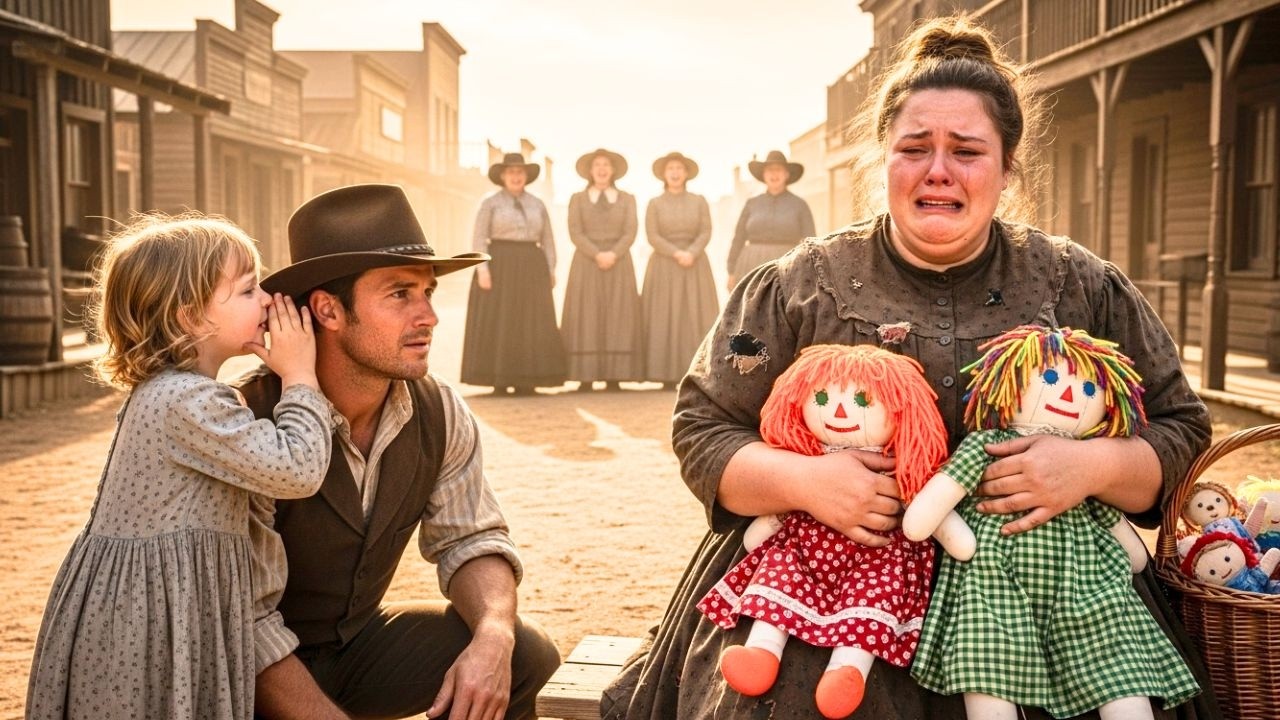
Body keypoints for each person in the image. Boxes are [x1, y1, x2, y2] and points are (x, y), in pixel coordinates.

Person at [602, 16, 1220, 720]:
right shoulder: (798, 285)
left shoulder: (1081, 285)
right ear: (882, 160)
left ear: (1008, 168)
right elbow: (703, 427)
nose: (938, 171)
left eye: (967, 151)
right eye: (915, 148)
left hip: (1051, 597)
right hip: (820, 591)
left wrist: (1092, 466)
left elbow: (1180, 427)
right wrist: (805, 481)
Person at [232, 184, 562, 719]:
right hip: (241, 679)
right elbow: (245, 626)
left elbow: (470, 538)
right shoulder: (244, 421)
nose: (429, 315)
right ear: (328, 310)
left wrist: (494, 637)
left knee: (527, 654)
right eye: (400, 294)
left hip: (351, 654)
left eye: (428, 291)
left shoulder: (437, 409)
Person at [27, 213, 333, 719]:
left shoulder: (177, 394)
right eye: (248, 289)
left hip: (155, 606)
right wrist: (300, 374)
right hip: (149, 620)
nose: (267, 299)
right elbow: (297, 469)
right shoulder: (187, 401)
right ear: (191, 317)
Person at [461, 152, 567, 395]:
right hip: (500, 265)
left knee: (530, 322)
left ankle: (527, 379)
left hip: (532, 267)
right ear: (502, 176)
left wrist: (551, 269)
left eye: (520, 172)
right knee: (502, 320)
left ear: (526, 176)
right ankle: (499, 379)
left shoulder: (538, 204)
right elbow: (479, 237)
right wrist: (482, 269)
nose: (516, 177)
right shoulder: (490, 203)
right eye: (511, 172)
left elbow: (548, 240)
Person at [561, 148, 644, 391]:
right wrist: (596, 254)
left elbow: (630, 230)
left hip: (619, 263)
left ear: (613, 170)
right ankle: (584, 376)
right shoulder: (578, 199)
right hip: (586, 263)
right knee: (586, 315)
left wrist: (613, 254)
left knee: (618, 314)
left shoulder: (627, 198)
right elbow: (575, 231)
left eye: (606, 165)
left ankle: (614, 375)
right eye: (597, 165)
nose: (602, 169)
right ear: (590, 170)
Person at [640, 151, 718, 390]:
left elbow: (705, 230)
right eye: (670, 169)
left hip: (695, 265)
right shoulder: (655, 203)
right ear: (664, 174)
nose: (675, 173)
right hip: (664, 266)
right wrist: (675, 253)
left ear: (686, 174)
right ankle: (663, 373)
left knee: (695, 315)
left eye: (679, 169)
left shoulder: (699, 201)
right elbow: (652, 234)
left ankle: (697, 371)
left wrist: (691, 252)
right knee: (665, 317)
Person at [725, 149, 816, 290]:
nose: (774, 174)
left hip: (787, 266)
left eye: (778, 170)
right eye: (769, 170)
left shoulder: (800, 205)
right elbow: (738, 238)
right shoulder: (751, 203)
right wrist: (731, 271)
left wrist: (811, 273)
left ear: (786, 174)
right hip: (751, 265)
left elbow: (810, 241)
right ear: (764, 174)